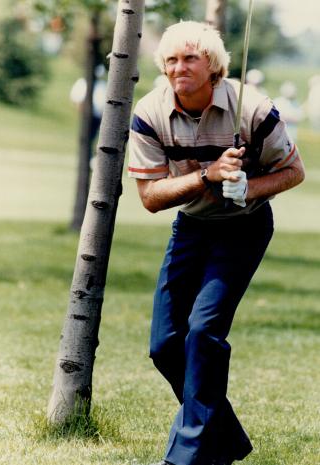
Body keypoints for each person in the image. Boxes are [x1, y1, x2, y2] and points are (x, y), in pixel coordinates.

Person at [128, 21, 305, 465]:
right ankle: (224, 439)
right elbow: (150, 198)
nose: (178, 67)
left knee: (204, 331)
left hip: (244, 227)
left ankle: (185, 455)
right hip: (192, 227)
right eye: (170, 59)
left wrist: (249, 188)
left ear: (213, 67)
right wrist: (206, 176)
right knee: (165, 344)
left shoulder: (254, 109)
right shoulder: (149, 114)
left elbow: (293, 171)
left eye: (190, 58)